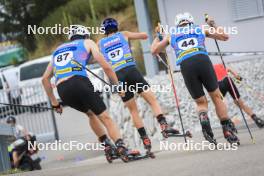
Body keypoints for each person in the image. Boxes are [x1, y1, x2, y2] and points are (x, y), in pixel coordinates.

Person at [42, 25, 130, 162]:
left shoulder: (58, 50)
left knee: (90, 113)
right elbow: (106, 65)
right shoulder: (88, 42)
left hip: (62, 89)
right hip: (79, 82)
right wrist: (118, 86)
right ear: (86, 35)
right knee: (105, 117)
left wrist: (55, 103)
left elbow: (44, 79)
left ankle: (107, 146)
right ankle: (121, 148)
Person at [151, 13, 239, 144]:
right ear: (190, 21)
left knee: (201, 102)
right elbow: (225, 36)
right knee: (216, 96)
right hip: (202, 59)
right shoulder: (200, 28)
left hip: (186, 65)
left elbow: (154, 50)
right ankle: (227, 130)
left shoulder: (172, 34)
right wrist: (212, 23)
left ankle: (203, 117)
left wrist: (158, 36)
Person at [98, 18, 179, 154]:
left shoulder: (100, 43)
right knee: (152, 100)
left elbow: (92, 54)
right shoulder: (123, 34)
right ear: (116, 27)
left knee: (133, 111)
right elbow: (144, 36)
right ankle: (163, 125)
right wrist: (158, 33)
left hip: (117, 76)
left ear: (104, 30)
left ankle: (145, 139)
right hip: (131, 70)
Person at [214, 64, 264, 128]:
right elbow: (230, 70)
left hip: (218, 84)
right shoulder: (220, 64)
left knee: (220, 104)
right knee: (239, 102)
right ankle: (256, 118)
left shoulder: (208, 67)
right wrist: (239, 79)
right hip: (228, 80)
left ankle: (227, 124)